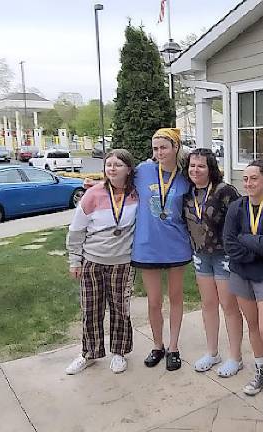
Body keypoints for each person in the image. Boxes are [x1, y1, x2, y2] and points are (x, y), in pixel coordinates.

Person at [223, 159, 263, 419]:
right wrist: (254, 249)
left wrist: (246, 239)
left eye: (254, 178)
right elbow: (228, 242)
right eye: (245, 179)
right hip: (241, 275)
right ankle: (261, 370)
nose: (248, 183)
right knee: (252, 327)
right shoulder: (236, 207)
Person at [65, 149, 138, 375]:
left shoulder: (137, 195)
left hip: (123, 263)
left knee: (120, 309)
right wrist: (74, 260)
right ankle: (89, 353)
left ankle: (119, 352)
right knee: (91, 309)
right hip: (92, 261)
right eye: (109, 165)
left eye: (118, 164)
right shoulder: (93, 194)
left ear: (128, 169)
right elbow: (77, 230)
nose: (112, 168)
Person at [132, 128, 192, 372]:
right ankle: (158, 345)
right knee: (154, 300)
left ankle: (174, 347)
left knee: (176, 298)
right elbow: (115, 181)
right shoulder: (143, 171)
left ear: (175, 147)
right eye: (155, 148)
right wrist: (93, 185)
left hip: (176, 245)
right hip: (147, 246)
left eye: (164, 147)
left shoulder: (186, 176)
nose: (159, 153)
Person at [182, 148, 243, 377]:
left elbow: (241, 222)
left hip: (224, 256)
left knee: (229, 306)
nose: (195, 170)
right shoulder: (187, 193)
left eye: (201, 166)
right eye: (192, 166)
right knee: (208, 304)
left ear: (211, 168)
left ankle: (235, 358)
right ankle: (212, 352)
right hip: (200, 255)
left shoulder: (225, 191)